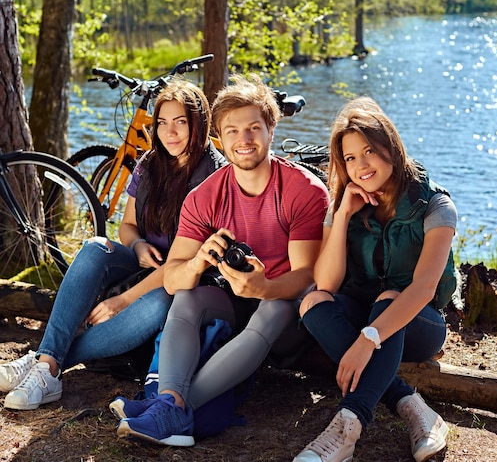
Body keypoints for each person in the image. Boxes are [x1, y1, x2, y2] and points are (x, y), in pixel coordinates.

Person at [109, 73, 330, 447]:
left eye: (253, 129)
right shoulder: (205, 195)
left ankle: (168, 410)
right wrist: (197, 263)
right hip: (233, 302)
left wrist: (266, 286)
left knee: (273, 309)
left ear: (271, 129)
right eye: (232, 131)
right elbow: (174, 276)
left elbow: (308, 275)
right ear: (220, 138)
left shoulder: (302, 190)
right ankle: (170, 403)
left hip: (288, 318)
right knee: (189, 296)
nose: (243, 141)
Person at [0, 78, 226, 410]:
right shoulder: (150, 164)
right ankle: (47, 363)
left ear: (199, 123)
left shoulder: (213, 175)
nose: (171, 132)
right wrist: (136, 247)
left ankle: (46, 361)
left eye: (181, 122)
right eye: (162, 123)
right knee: (95, 246)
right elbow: (128, 226)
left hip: (187, 276)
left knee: (162, 302)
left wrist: (122, 300)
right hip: (148, 261)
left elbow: (182, 261)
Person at [292, 96, 458, 462]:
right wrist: (342, 215)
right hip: (364, 317)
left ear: (390, 146)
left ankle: (347, 427)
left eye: (368, 151)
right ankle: (411, 404)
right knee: (312, 304)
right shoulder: (344, 203)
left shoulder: (435, 206)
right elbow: (327, 285)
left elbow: (423, 289)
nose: (360, 165)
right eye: (350, 158)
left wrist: (368, 338)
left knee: (389, 298)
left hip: (419, 323)